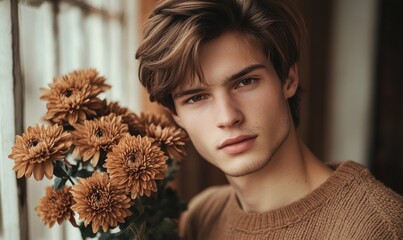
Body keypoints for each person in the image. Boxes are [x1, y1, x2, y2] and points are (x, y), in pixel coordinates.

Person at [135, 0, 403, 239]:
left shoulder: (379, 227)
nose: (228, 117)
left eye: (245, 82)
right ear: (177, 117)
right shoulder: (202, 217)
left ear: (288, 79)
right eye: (196, 98)